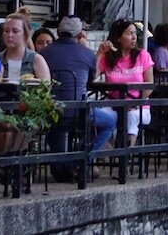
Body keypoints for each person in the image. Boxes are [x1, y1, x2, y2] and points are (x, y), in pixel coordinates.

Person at [40, 15, 118, 182]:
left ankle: (66, 164)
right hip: (79, 114)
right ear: (80, 34)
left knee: (56, 130)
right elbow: (91, 79)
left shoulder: (44, 53)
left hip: (50, 114)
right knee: (110, 122)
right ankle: (83, 158)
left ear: (59, 32)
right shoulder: (87, 54)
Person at [96, 18, 155, 146]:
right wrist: (100, 54)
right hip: (113, 104)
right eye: (129, 33)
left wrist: (135, 103)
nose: (134, 37)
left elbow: (150, 85)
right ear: (118, 38)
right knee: (99, 117)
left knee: (132, 117)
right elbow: (92, 77)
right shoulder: (108, 57)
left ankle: (127, 157)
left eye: (135, 33)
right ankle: (107, 156)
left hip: (138, 106)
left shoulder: (143, 56)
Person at [0, 14, 51, 82]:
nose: (10, 35)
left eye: (15, 31)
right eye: (6, 31)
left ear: (25, 35)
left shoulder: (36, 60)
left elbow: (45, 89)